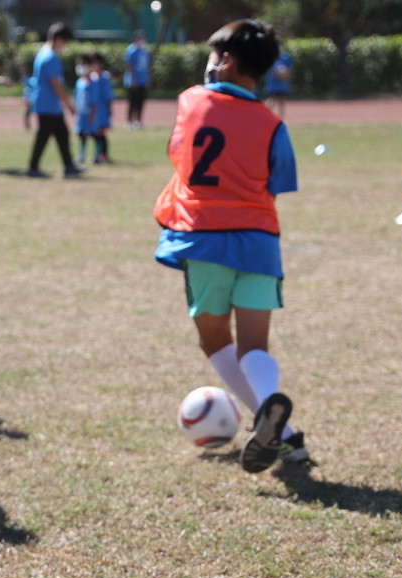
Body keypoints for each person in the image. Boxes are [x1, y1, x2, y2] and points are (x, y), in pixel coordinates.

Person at [153, 19, 311, 473]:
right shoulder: (272, 124)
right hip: (260, 243)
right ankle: (280, 426)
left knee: (214, 339)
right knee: (254, 347)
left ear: (226, 61)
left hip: (204, 238)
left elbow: (178, 153)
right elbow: (276, 183)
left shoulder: (190, 101)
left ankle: (278, 428)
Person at [27, 22, 80, 179]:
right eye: (65, 42)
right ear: (58, 39)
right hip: (48, 103)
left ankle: (69, 166)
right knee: (43, 136)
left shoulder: (43, 53)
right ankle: (33, 167)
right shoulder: (50, 57)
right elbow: (56, 83)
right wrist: (68, 104)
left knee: (62, 134)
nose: (65, 46)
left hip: (48, 104)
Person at [124, 29, 151, 129]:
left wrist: (148, 79)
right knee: (132, 102)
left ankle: (138, 121)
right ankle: (129, 122)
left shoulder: (144, 51)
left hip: (143, 80)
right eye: (140, 38)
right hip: (133, 82)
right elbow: (129, 66)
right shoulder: (131, 50)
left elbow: (148, 66)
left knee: (141, 101)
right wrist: (133, 80)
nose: (142, 40)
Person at [91, 53, 114, 163]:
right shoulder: (93, 77)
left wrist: (109, 108)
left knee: (101, 133)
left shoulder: (104, 77)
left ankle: (103, 155)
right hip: (95, 109)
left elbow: (108, 95)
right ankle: (97, 154)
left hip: (102, 109)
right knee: (95, 133)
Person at [74, 53, 94, 163]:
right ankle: (81, 155)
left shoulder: (93, 82)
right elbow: (76, 97)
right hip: (81, 114)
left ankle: (98, 154)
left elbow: (95, 100)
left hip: (90, 113)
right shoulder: (79, 82)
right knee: (81, 134)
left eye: (83, 64)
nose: (81, 67)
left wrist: (93, 114)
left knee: (95, 135)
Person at [264, 49, 293, 118]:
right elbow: (268, 68)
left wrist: (286, 75)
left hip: (282, 84)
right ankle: (265, 115)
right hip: (273, 83)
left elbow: (290, 69)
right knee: (271, 100)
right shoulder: (271, 56)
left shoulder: (286, 57)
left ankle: (281, 118)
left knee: (282, 100)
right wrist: (277, 73)